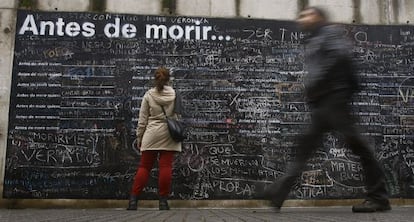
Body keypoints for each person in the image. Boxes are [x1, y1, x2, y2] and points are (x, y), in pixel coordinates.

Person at [264, 6, 391, 213]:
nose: (302, 18)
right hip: (324, 102)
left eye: (307, 15)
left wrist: (319, 84)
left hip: (334, 99)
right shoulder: (315, 38)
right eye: (301, 15)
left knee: (360, 148)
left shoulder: (328, 33)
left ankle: (379, 198)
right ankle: (278, 193)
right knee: (305, 147)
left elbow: (340, 57)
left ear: (319, 17)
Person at [127, 67, 182, 210]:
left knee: (144, 167)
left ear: (155, 79)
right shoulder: (175, 94)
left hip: (151, 134)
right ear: (168, 79)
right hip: (169, 134)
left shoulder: (148, 95)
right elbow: (178, 115)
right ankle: (163, 202)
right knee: (166, 167)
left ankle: (133, 201)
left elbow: (142, 120)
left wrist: (139, 137)